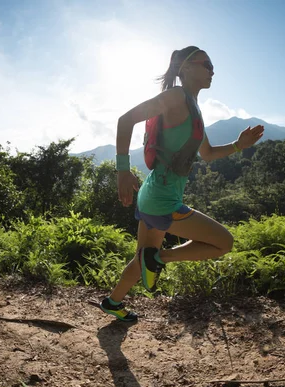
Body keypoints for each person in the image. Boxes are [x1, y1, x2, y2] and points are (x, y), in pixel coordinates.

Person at [99, 46, 265, 322]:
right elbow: (125, 120)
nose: (212, 70)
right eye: (206, 64)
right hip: (162, 198)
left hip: (156, 193)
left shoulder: (194, 108)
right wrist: (122, 171)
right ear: (185, 68)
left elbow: (208, 154)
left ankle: (113, 302)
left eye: (213, 66)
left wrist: (238, 145)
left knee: (142, 256)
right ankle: (161, 258)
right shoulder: (176, 97)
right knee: (224, 242)